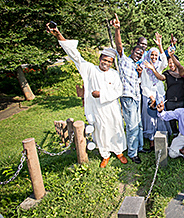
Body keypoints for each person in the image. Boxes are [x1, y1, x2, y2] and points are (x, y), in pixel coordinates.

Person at [47, 22, 128, 168]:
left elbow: (119, 91)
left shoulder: (115, 74)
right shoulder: (91, 69)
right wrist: (59, 34)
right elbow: (75, 56)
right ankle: (105, 154)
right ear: (99, 59)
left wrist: (101, 94)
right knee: (101, 130)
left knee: (116, 128)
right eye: (104, 60)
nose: (106, 63)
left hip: (112, 108)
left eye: (109, 62)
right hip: (98, 109)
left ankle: (119, 152)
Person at [111, 14, 148, 165]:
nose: (138, 54)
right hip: (127, 98)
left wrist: (139, 74)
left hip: (136, 98)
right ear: (131, 52)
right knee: (132, 127)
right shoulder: (124, 60)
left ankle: (139, 147)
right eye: (136, 52)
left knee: (138, 124)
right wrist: (117, 30)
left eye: (140, 53)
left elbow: (137, 83)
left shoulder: (136, 67)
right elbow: (119, 46)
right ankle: (132, 153)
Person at [141, 32, 171, 148]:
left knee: (160, 116)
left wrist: (160, 45)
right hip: (149, 96)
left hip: (160, 94)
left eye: (155, 55)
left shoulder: (159, 65)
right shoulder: (144, 67)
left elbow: (164, 59)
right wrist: (151, 97)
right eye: (152, 55)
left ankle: (161, 137)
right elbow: (143, 84)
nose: (153, 57)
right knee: (149, 118)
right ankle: (151, 139)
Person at [152, 48, 184, 136]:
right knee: (172, 120)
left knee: (182, 120)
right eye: (169, 63)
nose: (171, 64)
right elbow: (161, 77)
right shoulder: (167, 73)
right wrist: (153, 70)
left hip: (182, 100)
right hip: (170, 101)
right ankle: (174, 134)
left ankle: (182, 135)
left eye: (173, 62)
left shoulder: (183, 73)